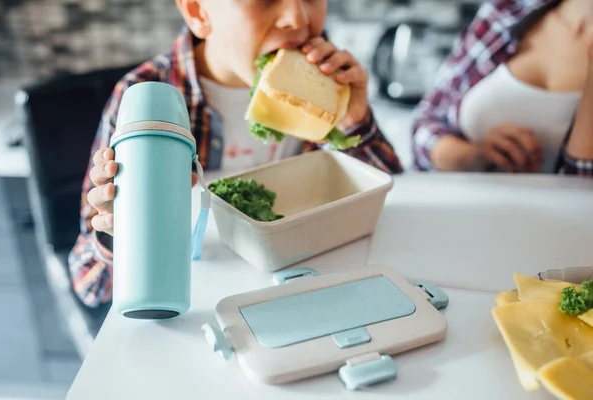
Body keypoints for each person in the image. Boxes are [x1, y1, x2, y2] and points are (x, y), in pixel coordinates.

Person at [68, 0, 404, 308]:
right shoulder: (144, 99)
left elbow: (395, 196)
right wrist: (117, 236)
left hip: (312, 294)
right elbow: (90, 284)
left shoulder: (327, 81)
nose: (298, 18)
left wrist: (353, 123)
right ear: (199, 12)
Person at [411, 0, 593, 175]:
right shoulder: (511, 8)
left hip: (559, 207)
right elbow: (425, 121)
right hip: (461, 201)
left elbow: (582, 188)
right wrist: (472, 156)